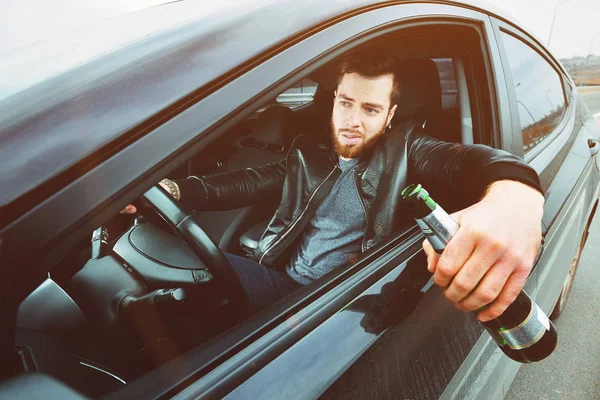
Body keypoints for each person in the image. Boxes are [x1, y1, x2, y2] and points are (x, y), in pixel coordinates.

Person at [124, 47, 544, 322]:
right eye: (345, 103)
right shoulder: (311, 152)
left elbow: (473, 162)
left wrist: (516, 201)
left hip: (334, 304)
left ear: (391, 114)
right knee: (165, 274)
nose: (352, 121)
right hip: (282, 281)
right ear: (335, 99)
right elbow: (250, 182)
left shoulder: (407, 149)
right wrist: (175, 192)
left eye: (370, 108)